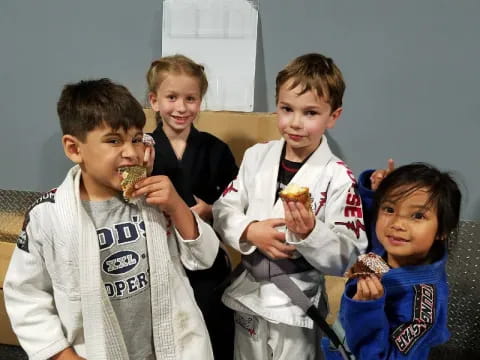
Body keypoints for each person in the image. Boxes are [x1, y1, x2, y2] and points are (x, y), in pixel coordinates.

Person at [3, 78, 219, 360]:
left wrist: (177, 206)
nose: (130, 152)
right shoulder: (48, 216)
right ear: (74, 148)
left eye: (137, 139)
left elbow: (204, 257)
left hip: (170, 348)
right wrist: (61, 355)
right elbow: (25, 296)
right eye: (113, 140)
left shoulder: (155, 199)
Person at [212, 53, 368, 359]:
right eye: (287, 109)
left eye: (310, 113)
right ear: (277, 106)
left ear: (333, 116)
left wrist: (311, 233)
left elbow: (351, 254)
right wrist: (250, 230)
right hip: (249, 294)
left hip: (296, 304)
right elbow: (222, 208)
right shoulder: (258, 156)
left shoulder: (338, 177)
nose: (295, 122)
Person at [146, 54, 237, 359]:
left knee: (213, 335)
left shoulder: (216, 150)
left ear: (200, 101)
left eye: (191, 98)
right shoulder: (139, 149)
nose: (181, 107)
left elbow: (236, 202)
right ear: (154, 100)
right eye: (171, 97)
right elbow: (126, 193)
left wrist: (210, 211)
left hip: (207, 264)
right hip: (159, 259)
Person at [324, 163, 462, 359]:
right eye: (389, 209)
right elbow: (372, 228)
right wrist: (376, 191)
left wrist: (366, 310)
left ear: (442, 230)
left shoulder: (423, 302)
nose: (397, 224)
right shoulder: (384, 252)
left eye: (417, 216)